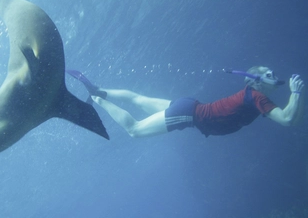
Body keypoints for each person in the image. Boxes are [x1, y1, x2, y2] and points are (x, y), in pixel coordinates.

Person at [66, 66, 305, 137]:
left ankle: (98, 89)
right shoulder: (257, 96)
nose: (275, 77)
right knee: (134, 130)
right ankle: (96, 98)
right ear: (254, 81)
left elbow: (292, 119)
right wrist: (295, 92)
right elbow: (287, 119)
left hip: (190, 106)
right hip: (190, 114)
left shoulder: (254, 97)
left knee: (140, 99)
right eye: (269, 74)